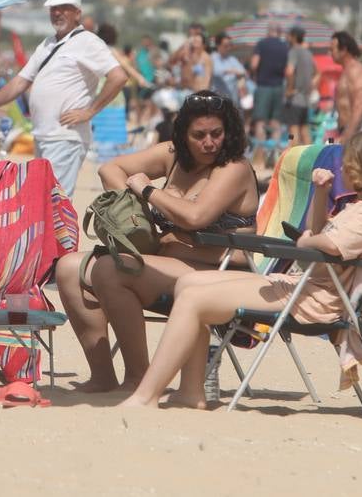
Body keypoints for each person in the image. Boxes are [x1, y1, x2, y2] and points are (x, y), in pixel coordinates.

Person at [119, 129, 362, 409]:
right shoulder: (361, 205)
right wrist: (322, 193)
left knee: (193, 297)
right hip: (303, 287)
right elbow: (319, 231)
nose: (343, 168)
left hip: (316, 300)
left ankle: (146, 396)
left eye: (347, 162)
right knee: (189, 283)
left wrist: (307, 241)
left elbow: (329, 244)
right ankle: (191, 392)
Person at [53, 90, 256, 392]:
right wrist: (138, 214)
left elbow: (196, 217)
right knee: (69, 268)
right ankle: (103, 375)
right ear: (183, 136)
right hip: (167, 261)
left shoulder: (233, 168)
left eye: (217, 133)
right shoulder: (172, 157)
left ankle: (139, 377)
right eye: (199, 135)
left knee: (111, 269)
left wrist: (149, 193)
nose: (209, 142)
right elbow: (110, 168)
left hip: (219, 272)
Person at [0, 0, 127, 197]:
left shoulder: (88, 42)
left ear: (77, 13)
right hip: (43, 135)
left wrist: (89, 112)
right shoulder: (48, 44)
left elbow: (118, 77)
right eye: (53, 9)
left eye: (63, 8)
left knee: (54, 203)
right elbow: (19, 82)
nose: (57, 13)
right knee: (41, 202)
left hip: (65, 137)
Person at [249, 24, 289, 145]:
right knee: (276, 121)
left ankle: (259, 155)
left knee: (260, 121)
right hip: (279, 87)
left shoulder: (261, 44)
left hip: (263, 86)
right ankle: (274, 154)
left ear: (268, 32)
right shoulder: (285, 46)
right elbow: (288, 69)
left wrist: (254, 75)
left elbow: (254, 64)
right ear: (279, 32)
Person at [330, 31, 362, 143]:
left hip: (356, 131)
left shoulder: (355, 70)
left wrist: (346, 136)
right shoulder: (347, 70)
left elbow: (359, 105)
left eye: (332, 49)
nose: (330, 53)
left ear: (343, 49)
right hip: (349, 129)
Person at [285, 26, 318, 149]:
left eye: (289, 35)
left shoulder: (294, 51)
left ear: (293, 37)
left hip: (296, 97)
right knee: (305, 130)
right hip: (305, 98)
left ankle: (293, 159)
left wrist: (289, 89)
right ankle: (312, 159)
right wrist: (311, 86)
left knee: (293, 130)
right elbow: (318, 72)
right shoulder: (308, 53)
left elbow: (289, 71)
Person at [169, 24, 213, 95]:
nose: (193, 40)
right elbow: (171, 61)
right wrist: (183, 45)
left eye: (197, 41)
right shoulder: (186, 54)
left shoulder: (206, 57)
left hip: (198, 92)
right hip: (185, 91)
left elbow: (207, 78)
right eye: (192, 37)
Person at [209, 33, 247, 102]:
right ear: (218, 45)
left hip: (232, 99)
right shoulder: (212, 58)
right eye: (226, 46)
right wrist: (229, 71)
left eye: (230, 45)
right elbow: (214, 71)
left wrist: (240, 75)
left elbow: (243, 72)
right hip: (217, 98)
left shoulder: (232, 59)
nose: (228, 48)